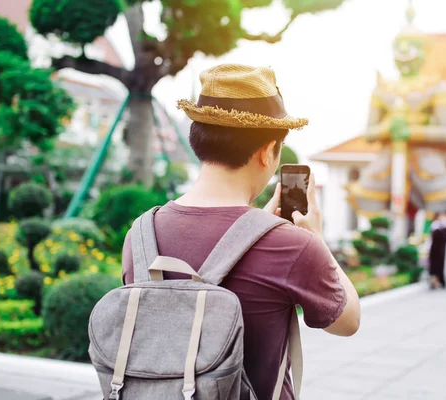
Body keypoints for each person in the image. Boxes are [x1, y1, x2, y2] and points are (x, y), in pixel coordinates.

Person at [121, 64, 361, 400]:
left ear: (197, 140)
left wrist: (255, 229)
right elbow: (347, 322)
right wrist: (316, 238)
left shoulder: (141, 232)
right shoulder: (291, 245)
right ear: (266, 153)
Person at [429, 212, 446, 289]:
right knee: (435, 267)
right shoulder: (436, 227)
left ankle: (438, 281)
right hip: (436, 250)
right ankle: (435, 281)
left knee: (438, 267)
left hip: (439, 251)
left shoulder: (441, 227)